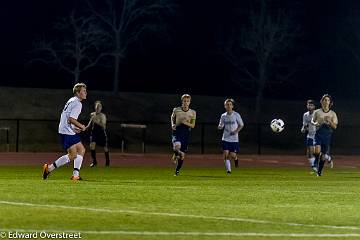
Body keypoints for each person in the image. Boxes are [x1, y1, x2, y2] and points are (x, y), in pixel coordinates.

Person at [42, 83, 88, 181]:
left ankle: (75, 175)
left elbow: (67, 118)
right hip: (66, 131)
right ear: (77, 92)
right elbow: (71, 118)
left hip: (67, 129)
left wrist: (74, 128)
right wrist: (81, 126)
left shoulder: (71, 100)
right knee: (73, 155)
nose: (85, 93)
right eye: (83, 91)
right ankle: (49, 168)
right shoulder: (78, 103)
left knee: (81, 150)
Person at [311, 94, 338, 177]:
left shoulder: (333, 114)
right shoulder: (317, 112)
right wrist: (316, 123)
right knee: (317, 151)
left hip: (327, 136)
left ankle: (319, 171)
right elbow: (312, 121)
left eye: (328, 100)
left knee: (323, 156)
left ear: (330, 103)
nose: (326, 102)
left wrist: (329, 121)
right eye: (324, 100)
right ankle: (315, 162)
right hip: (318, 134)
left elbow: (335, 127)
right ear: (322, 101)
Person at [170, 94, 196, 176]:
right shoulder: (176, 110)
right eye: (184, 101)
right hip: (177, 131)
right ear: (182, 101)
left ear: (190, 102)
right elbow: (172, 117)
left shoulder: (193, 112)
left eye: (187, 101)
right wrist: (172, 124)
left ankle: (177, 171)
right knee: (176, 146)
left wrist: (186, 122)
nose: (186, 103)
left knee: (182, 156)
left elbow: (193, 125)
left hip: (186, 133)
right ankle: (177, 153)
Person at [218, 98, 244, 174]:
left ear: (232, 106)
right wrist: (220, 127)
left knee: (233, 155)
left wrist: (236, 131)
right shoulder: (223, 116)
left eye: (230, 104)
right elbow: (221, 124)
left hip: (234, 139)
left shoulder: (236, 115)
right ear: (225, 106)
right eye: (227, 104)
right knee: (225, 154)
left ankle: (236, 159)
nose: (228, 106)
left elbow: (241, 125)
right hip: (225, 138)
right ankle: (228, 170)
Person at [87, 100, 110, 167]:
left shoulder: (102, 116)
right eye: (97, 107)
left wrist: (96, 121)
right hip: (94, 132)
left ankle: (107, 163)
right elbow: (90, 123)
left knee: (105, 148)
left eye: (99, 107)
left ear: (101, 108)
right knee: (92, 146)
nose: (98, 108)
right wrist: (84, 127)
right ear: (95, 107)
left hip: (101, 132)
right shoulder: (92, 114)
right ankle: (94, 162)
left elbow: (104, 126)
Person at [301, 99, 317, 172]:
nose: (310, 106)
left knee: (315, 152)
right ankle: (314, 166)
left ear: (314, 106)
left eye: (311, 105)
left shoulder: (317, 114)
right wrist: (303, 129)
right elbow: (304, 125)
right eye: (308, 105)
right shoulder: (305, 115)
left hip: (317, 135)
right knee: (309, 153)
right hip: (310, 135)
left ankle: (315, 166)